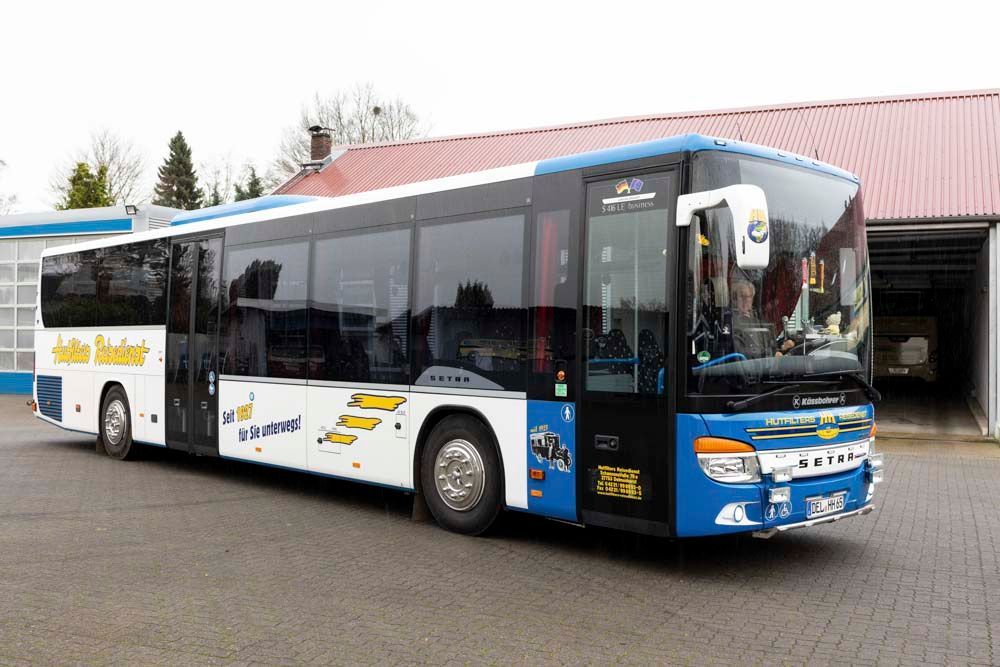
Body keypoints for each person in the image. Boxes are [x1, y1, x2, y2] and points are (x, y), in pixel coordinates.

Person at [730, 279, 793, 358]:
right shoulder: (730, 323)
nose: (745, 300)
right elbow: (739, 351)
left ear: (752, 299)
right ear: (735, 300)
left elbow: (768, 347)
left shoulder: (760, 323)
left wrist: (782, 347)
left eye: (749, 296)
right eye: (742, 296)